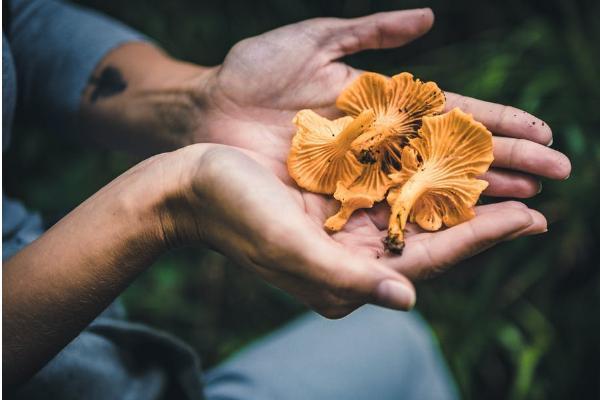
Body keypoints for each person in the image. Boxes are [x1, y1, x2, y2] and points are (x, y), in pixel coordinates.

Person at [2, 0, 571, 398]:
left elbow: (19, 21)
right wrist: (167, 202)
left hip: (134, 373)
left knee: (398, 342)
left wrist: (194, 101)